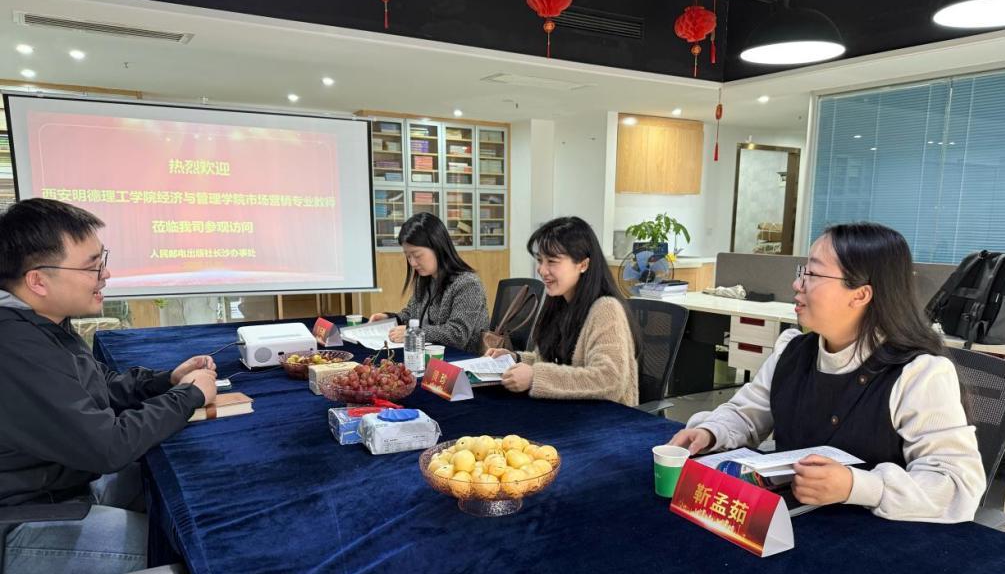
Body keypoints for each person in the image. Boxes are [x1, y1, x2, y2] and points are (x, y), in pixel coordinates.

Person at [670, 222, 985, 522]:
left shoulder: (919, 374)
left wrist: (856, 486)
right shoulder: (793, 350)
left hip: (875, 538)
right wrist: (711, 432)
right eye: (802, 272)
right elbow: (747, 414)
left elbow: (958, 485)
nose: (797, 284)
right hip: (786, 524)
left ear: (860, 294)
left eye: (812, 274)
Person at [0, 198, 218, 573]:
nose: (106, 274)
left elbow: (101, 387)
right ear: (38, 281)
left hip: (64, 482)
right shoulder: (15, 346)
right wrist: (189, 396)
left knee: (194, 490)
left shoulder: (41, 321)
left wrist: (167, 380)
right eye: (92, 267)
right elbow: (108, 447)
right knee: (199, 547)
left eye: (102, 260)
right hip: (26, 516)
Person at [486, 216, 640, 406]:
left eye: (552, 261)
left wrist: (535, 376)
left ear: (583, 265)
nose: (542, 270)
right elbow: (551, 361)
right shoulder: (559, 302)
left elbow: (609, 379)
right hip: (569, 410)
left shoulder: (606, 309)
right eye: (540, 260)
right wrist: (515, 359)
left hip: (606, 418)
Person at [368, 212, 489, 354]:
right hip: (427, 356)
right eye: (408, 256)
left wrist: (413, 332)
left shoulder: (468, 284)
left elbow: (457, 334)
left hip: (460, 360)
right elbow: (412, 314)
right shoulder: (426, 279)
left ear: (438, 247)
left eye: (417, 255)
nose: (412, 263)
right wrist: (391, 318)